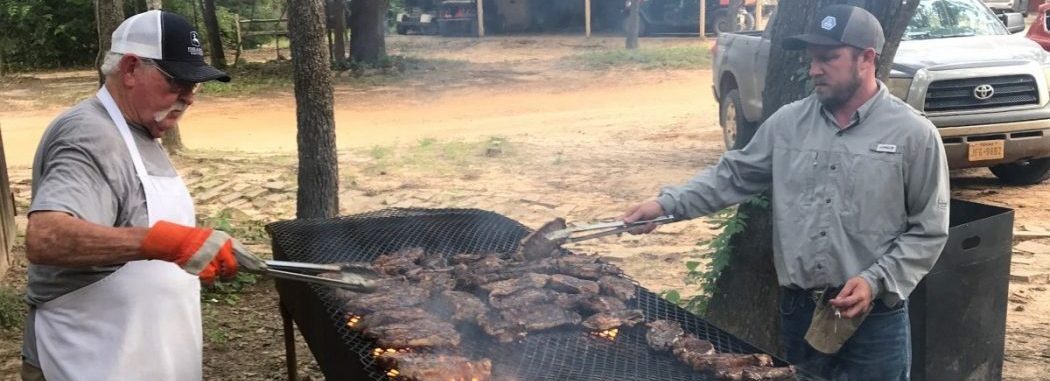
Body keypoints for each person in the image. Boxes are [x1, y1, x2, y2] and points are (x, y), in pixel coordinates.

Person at [621, 5, 949, 381]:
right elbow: (732, 176)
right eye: (812, 59)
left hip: (874, 318)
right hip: (800, 312)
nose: (814, 69)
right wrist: (665, 205)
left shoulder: (913, 135)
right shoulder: (788, 124)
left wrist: (876, 280)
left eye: (828, 58)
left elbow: (929, 230)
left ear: (867, 58)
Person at [21, 10, 244, 381]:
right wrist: (163, 242)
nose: (189, 98)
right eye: (178, 83)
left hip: (135, 359)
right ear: (129, 69)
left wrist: (188, 243)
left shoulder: (138, 129)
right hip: (87, 361)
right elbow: (47, 237)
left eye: (196, 85)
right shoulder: (91, 134)